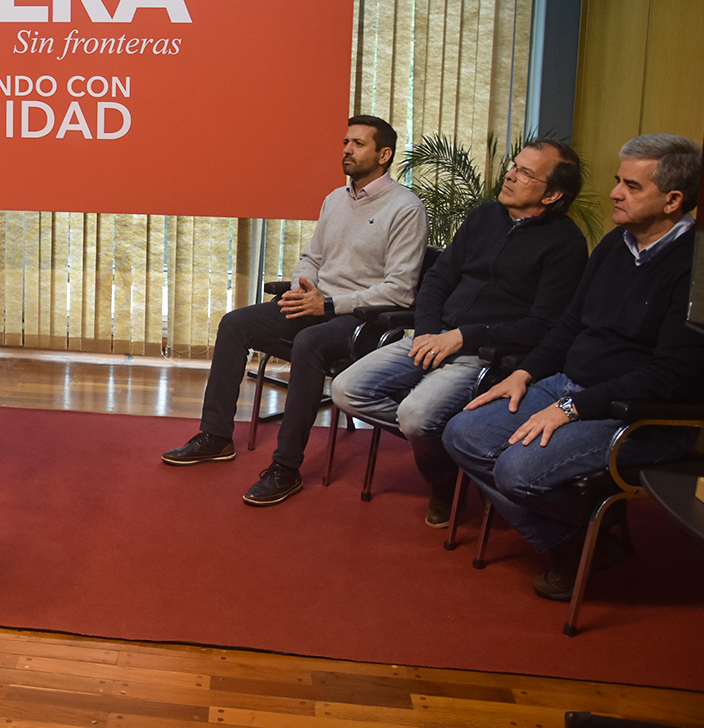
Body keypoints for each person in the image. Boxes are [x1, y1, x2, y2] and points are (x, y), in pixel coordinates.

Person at [444, 133, 704, 600]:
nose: (614, 193)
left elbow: (671, 374)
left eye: (631, 186)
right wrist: (524, 373)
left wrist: (572, 409)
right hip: (569, 385)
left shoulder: (696, 267)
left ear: (672, 201)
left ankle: (577, 538)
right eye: (618, 181)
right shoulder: (615, 244)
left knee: (516, 471)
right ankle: (583, 537)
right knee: (461, 434)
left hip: (638, 413)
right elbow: (567, 326)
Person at [162, 115, 429, 507]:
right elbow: (312, 258)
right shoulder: (335, 199)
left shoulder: (406, 209)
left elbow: (400, 290)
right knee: (235, 324)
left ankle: (285, 468)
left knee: (308, 343)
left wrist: (330, 303)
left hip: (363, 321)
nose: (347, 150)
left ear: (384, 154)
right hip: (317, 304)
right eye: (345, 142)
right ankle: (216, 437)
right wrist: (302, 287)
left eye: (358, 144)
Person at [331, 139, 588, 527]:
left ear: (552, 194)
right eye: (513, 165)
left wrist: (462, 337)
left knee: (416, 416)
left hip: (483, 353)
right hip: (432, 335)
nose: (510, 175)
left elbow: (543, 325)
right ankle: (449, 455)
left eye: (524, 173)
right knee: (346, 390)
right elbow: (438, 278)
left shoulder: (566, 244)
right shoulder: (485, 216)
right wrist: (426, 332)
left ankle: (441, 478)